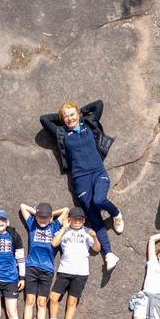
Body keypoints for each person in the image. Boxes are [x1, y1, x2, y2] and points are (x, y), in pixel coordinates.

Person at [39, 100, 122, 270]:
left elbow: (99, 104)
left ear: (78, 114)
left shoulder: (88, 124)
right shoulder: (61, 133)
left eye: (72, 114)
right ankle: (108, 253)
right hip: (79, 178)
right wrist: (62, 118)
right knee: (93, 214)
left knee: (99, 200)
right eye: (65, 116)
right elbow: (44, 119)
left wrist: (80, 113)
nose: (69, 118)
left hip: (98, 172)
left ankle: (116, 213)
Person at [45, 207, 100, 319]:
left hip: (81, 272)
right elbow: (54, 243)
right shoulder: (64, 231)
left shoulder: (87, 232)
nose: (78, 221)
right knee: (53, 297)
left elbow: (97, 249)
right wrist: (64, 228)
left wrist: (94, 236)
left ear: (84, 220)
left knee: (72, 301)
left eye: (80, 219)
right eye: (75, 218)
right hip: (64, 270)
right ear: (69, 219)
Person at [18, 202, 69, 319]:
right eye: (40, 217)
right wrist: (37, 213)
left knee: (41, 302)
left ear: (50, 218)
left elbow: (65, 209)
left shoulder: (54, 226)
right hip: (32, 267)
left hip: (47, 269)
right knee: (29, 299)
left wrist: (51, 216)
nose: (42, 220)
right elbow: (22, 206)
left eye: (45, 218)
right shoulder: (32, 223)